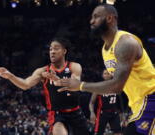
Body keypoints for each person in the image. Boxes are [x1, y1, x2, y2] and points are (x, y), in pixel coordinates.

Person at [55, 4, 155, 135]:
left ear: (109, 18)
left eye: (96, 17)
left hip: (151, 98)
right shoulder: (105, 50)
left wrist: (81, 85)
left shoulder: (125, 43)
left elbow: (117, 86)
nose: (91, 21)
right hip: (138, 105)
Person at [0, 38, 90, 135]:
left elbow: (75, 86)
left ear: (64, 51)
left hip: (75, 112)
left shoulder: (74, 66)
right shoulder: (42, 71)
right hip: (57, 114)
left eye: (56, 49)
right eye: (50, 49)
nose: (52, 52)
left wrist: (57, 80)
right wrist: (10, 76)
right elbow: (25, 84)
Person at [89, 70, 121, 135]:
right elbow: (91, 102)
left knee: (118, 132)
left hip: (114, 113)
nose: (106, 75)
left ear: (112, 75)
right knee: (98, 133)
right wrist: (92, 112)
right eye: (105, 73)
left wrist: (121, 112)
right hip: (102, 113)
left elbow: (120, 101)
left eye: (108, 73)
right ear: (102, 75)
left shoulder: (116, 86)